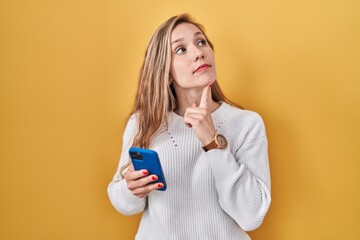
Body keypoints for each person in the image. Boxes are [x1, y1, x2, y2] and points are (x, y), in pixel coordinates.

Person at [107, 13, 271, 240]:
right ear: (166, 72)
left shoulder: (247, 124)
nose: (198, 52)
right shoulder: (144, 123)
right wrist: (129, 188)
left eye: (201, 41)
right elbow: (124, 202)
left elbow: (251, 215)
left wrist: (212, 142)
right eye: (181, 50)